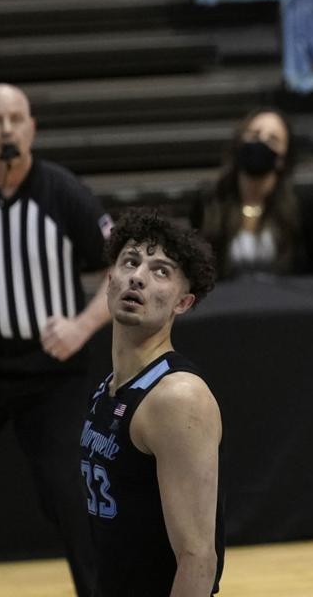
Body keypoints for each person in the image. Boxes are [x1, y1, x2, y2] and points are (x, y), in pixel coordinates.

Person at [0, 83, 112, 593]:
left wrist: (81, 326)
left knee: (74, 496)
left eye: (16, 118)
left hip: (51, 374)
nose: (7, 128)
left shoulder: (63, 192)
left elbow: (119, 267)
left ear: (32, 127)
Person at [84, 208, 223, 596]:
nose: (138, 276)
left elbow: (198, 558)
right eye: (130, 261)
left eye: (161, 271)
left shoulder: (178, 397)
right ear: (110, 280)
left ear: (183, 302)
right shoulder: (110, 388)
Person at [191, 108, 313, 279]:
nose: (261, 142)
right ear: (239, 142)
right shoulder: (210, 201)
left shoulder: (305, 206)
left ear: (282, 158)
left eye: (273, 139)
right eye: (255, 135)